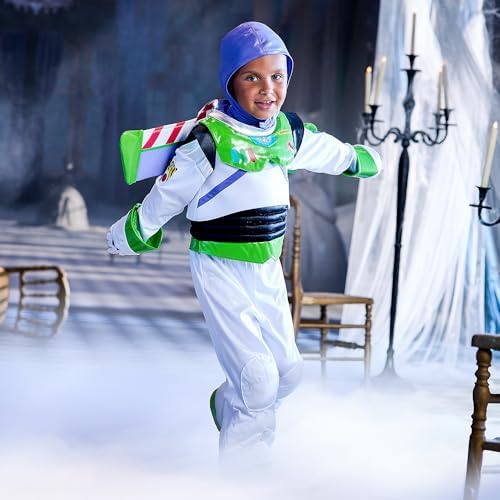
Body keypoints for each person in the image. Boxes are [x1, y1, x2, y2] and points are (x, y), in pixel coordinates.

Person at [107, 21, 381, 466]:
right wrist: (131, 233)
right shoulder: (209, 142)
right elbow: (165, 196)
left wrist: (357, 159)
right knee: (258, 378)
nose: (267, 89)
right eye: (252, 77)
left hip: (266, 269)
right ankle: (244, 473)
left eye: (277, 76)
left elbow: (323, 150)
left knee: (288, 373)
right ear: (231, 81)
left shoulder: (286, 133)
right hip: (219, 266)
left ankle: (229, 405)